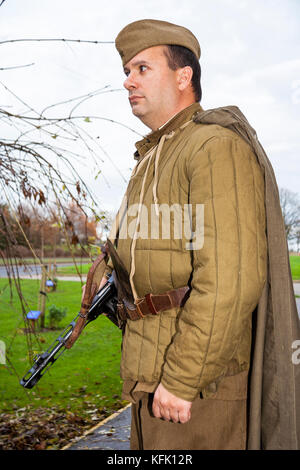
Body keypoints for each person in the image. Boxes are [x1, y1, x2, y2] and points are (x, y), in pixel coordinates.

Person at [98, 19, 299, 450]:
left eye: (141, 69)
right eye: (126, 71)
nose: (127, 81)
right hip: (149, 379)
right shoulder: (154, 156)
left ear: (183, 75)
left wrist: (183, 379)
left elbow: (229, 280)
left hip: (196, 393)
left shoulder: (214, 148)